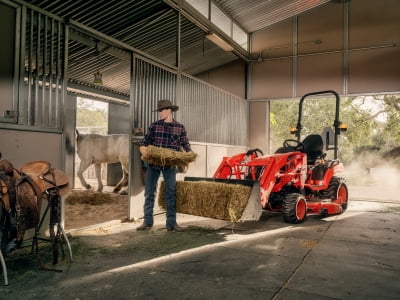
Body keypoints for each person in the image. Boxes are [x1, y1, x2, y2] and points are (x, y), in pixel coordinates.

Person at [137, 99, 192, 232]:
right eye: (159, 111)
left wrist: (189, 155)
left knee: (170, 193)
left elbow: (186, 145)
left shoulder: (180, 127)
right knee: (149, 192)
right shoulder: (154, 126)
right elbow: (144, 143)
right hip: (153, 164)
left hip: (170, 165)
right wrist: (143, 150)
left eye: (161, 110)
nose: (160, 113)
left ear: (169, 110)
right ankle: (147, 221)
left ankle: (171, 224)